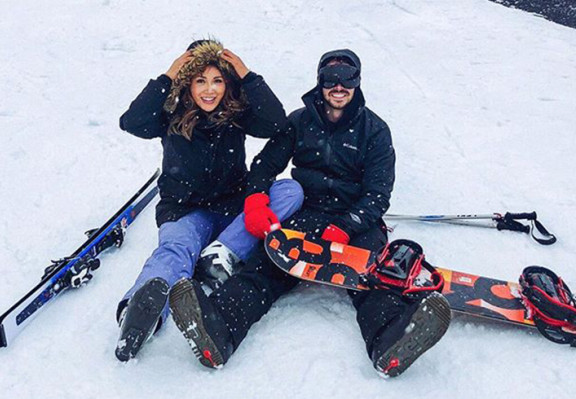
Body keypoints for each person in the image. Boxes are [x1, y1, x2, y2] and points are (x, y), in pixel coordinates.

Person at [168, 49, 451, 377]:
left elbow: (378, 194)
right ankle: (216, 330)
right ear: (320, 82)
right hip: (307, 212)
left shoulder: (374, 130)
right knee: (264, 268)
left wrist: (347, 226)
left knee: (373, 279)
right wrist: (256, 200)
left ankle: (392, 341)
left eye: (348, 78)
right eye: (331, 79)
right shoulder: (299, 121)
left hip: (354, 220)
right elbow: (264, 165)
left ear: (357, 82)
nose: (339, 86)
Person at [114, 39, 304, 362]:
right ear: (187, 83)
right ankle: (140, 312)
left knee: (291, 192)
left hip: (232, 210)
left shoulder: (235, 114)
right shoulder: (169, 114)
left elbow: (276, 122)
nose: (209, 90)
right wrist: (167, 77)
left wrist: (247, 76)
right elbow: (130, 122)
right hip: (186, 212)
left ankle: (220, 254)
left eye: (217, 81)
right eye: (200, 80)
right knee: (175, 251)